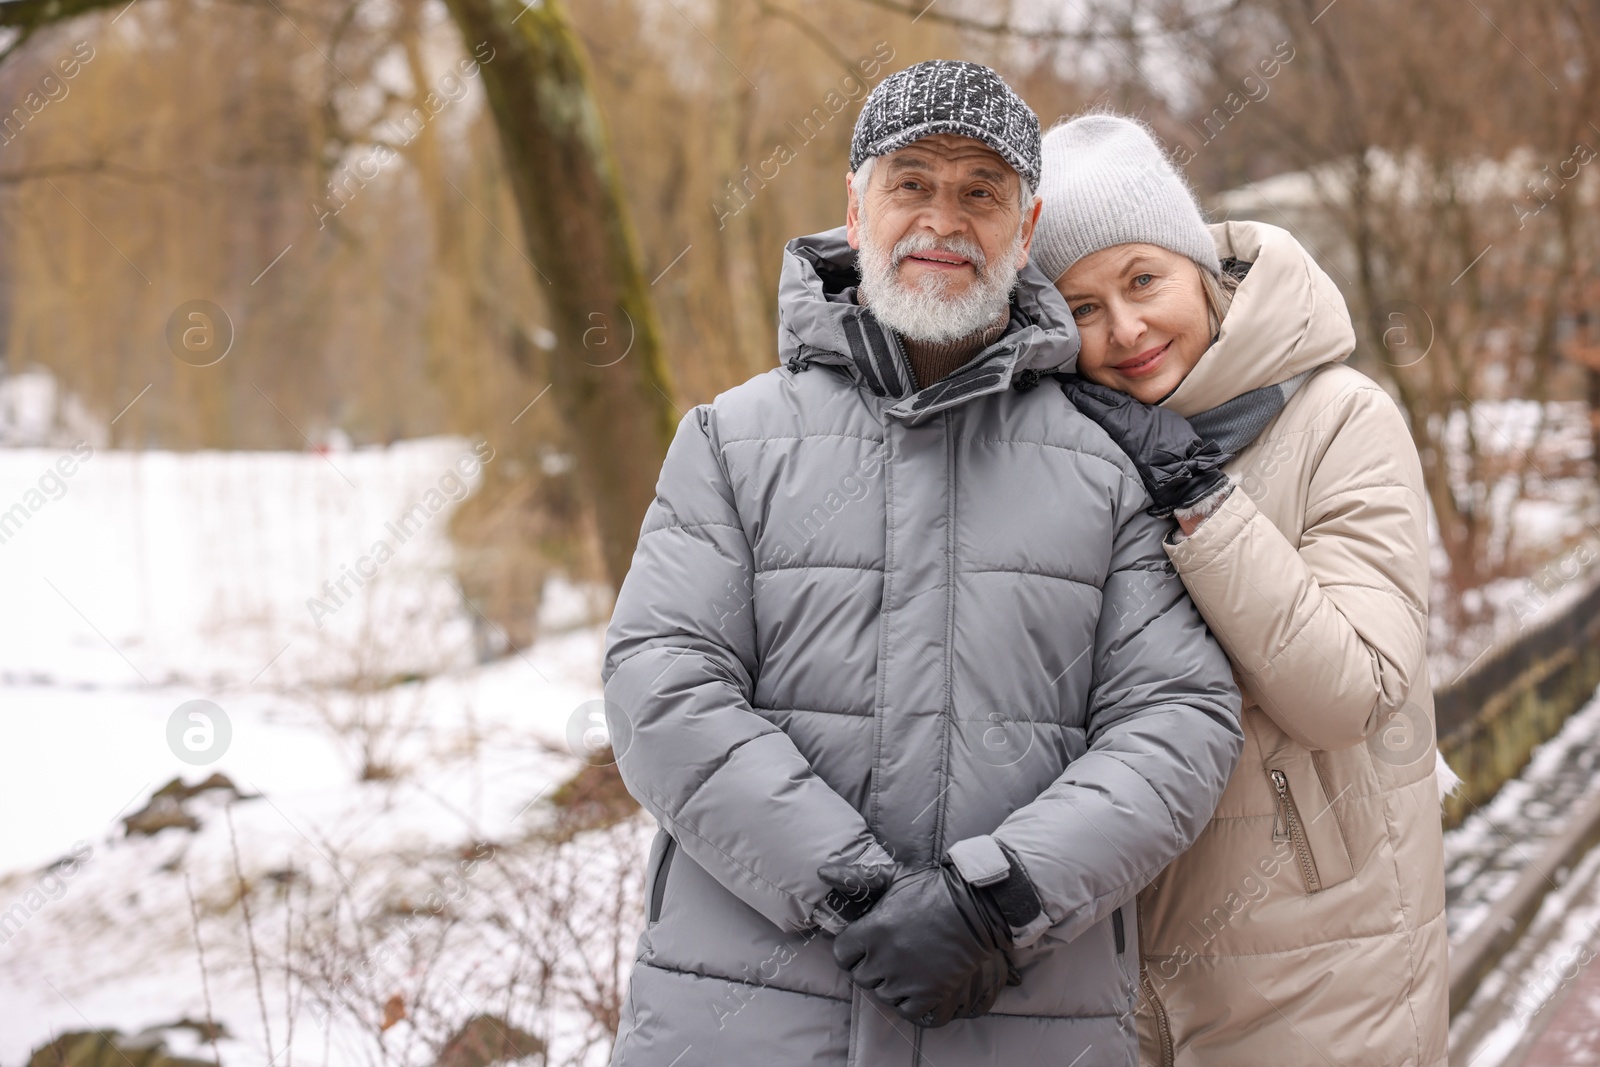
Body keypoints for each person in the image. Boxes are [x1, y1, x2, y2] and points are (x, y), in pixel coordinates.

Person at [600, 63, 1243, 1067]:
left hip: (1027, 1016)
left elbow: (1178, 720)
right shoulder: (731, 442)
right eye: (912, 183)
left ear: (1023, 232)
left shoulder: (1107, 467)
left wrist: (997, 899)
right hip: (746, 1025)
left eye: (980, 191)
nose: (943, 219)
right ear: (856, 213)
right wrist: (849, 884)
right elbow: (660, 684)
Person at [1030, 112, 1449, 1067]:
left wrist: (1202, 501)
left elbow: (1353, 691)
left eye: (1144, 281)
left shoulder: (1341, 419)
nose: (1126, 329)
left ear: (1201, 271)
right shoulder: (1072, 455)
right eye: (1082, 307)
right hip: (1118, 976)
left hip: (1323, 961)